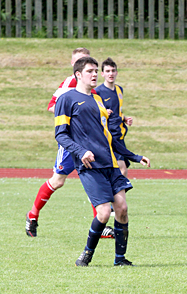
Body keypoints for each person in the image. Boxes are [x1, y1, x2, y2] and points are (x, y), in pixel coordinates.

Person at [54, 56, 150, 267]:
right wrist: (81, 152)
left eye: (96, 70)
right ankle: (87, 254)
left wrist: (133, 156)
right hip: (90, 166)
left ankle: (120, 259)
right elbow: (61, 134)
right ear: (78, 74)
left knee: (122, 209)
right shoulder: (66, 99)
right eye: (90, 71)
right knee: (104, 213)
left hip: (111, 164)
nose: (95, 74)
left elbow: (109, 136)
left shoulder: (98, 100)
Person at [26, 47, 114, 239]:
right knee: (57, 181)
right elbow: (52, 106)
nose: (88, 66)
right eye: (80, 62)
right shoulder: (69, 84)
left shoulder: (93, 89)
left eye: (89, 62)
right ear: (74, 67)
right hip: (70, 144)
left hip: (88, 144)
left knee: (94, 176)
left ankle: (101, 225)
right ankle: (32, 215)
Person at [95, 57, 135, 178]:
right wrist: (103, 112)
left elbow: (117, 111)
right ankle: (113, 196)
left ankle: (108, 196)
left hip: (119, 135)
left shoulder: (119, 89)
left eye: (113, 70)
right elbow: (92, 113)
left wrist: (124, 118)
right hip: (108, 136)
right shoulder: (98, 92)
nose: (111, 74)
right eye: (107, 71)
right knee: (122, 170)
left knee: (120, 169)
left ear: (117, 72)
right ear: (102, 74)